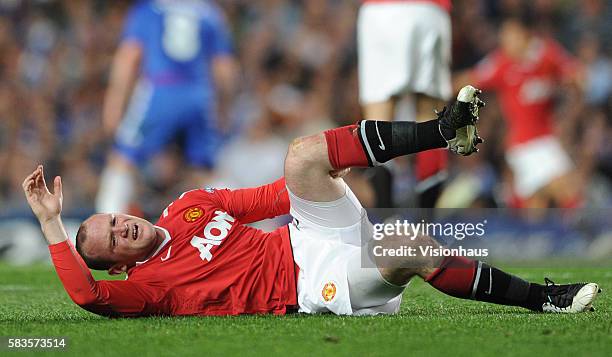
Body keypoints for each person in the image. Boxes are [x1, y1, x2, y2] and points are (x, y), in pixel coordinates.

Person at [24, 86, 599, 317]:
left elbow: (274, 194)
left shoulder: (187, 205)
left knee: (300, 154)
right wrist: (53, 223)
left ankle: (441, 131)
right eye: (115, 240)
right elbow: (89, 295)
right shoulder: (149, 287)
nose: (125, 228)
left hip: (308, 231)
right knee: (412, 248)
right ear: (121, 263)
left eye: (118, 221)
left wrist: (329, 170)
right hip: (312, 281)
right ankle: (544, 299)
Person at [96, 0, 238, 214]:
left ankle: (107, 224)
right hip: (200, 94)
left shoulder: (148, 10)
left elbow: (129, 57)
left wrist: (114, 103)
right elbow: (224, 69)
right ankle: (238, 223)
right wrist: (225, 108)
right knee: (205, 167)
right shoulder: (210, 14)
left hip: (160, 89)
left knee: (123, 157)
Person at [455, 10, 583, 208]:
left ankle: (532, 231)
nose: (505, 41)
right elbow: (470, 79)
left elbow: (576, 75)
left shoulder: (547, 55)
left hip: (546, 139)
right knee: (566, 191)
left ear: (526, 34)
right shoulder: (502, 63)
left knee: (541, 203)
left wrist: (569, 101)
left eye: (510, 35)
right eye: (504, 36)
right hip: (524, 143)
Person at [357, 0, 453, 207]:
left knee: (378, 118)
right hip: (428, 11)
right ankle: (427, 225)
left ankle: (387, 221)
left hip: (380, 13)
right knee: (431, 118)